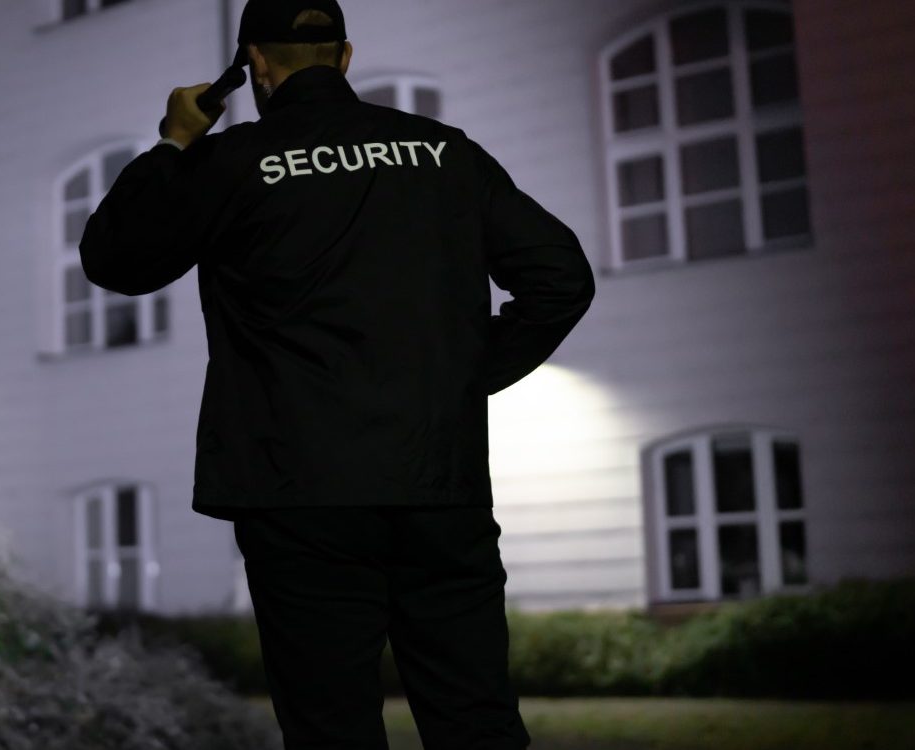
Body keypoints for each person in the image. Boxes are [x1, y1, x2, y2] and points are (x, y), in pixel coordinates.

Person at [79, 1, 596, 747]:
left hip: (299, 497)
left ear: (254, 65)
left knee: (331, 730)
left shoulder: (229, 164)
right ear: (344, 57)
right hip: (435, 483)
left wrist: (172, 144)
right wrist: (457, 376)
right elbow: (561, 280)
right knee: (475, 720)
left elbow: (113, 259)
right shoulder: (444, 153)